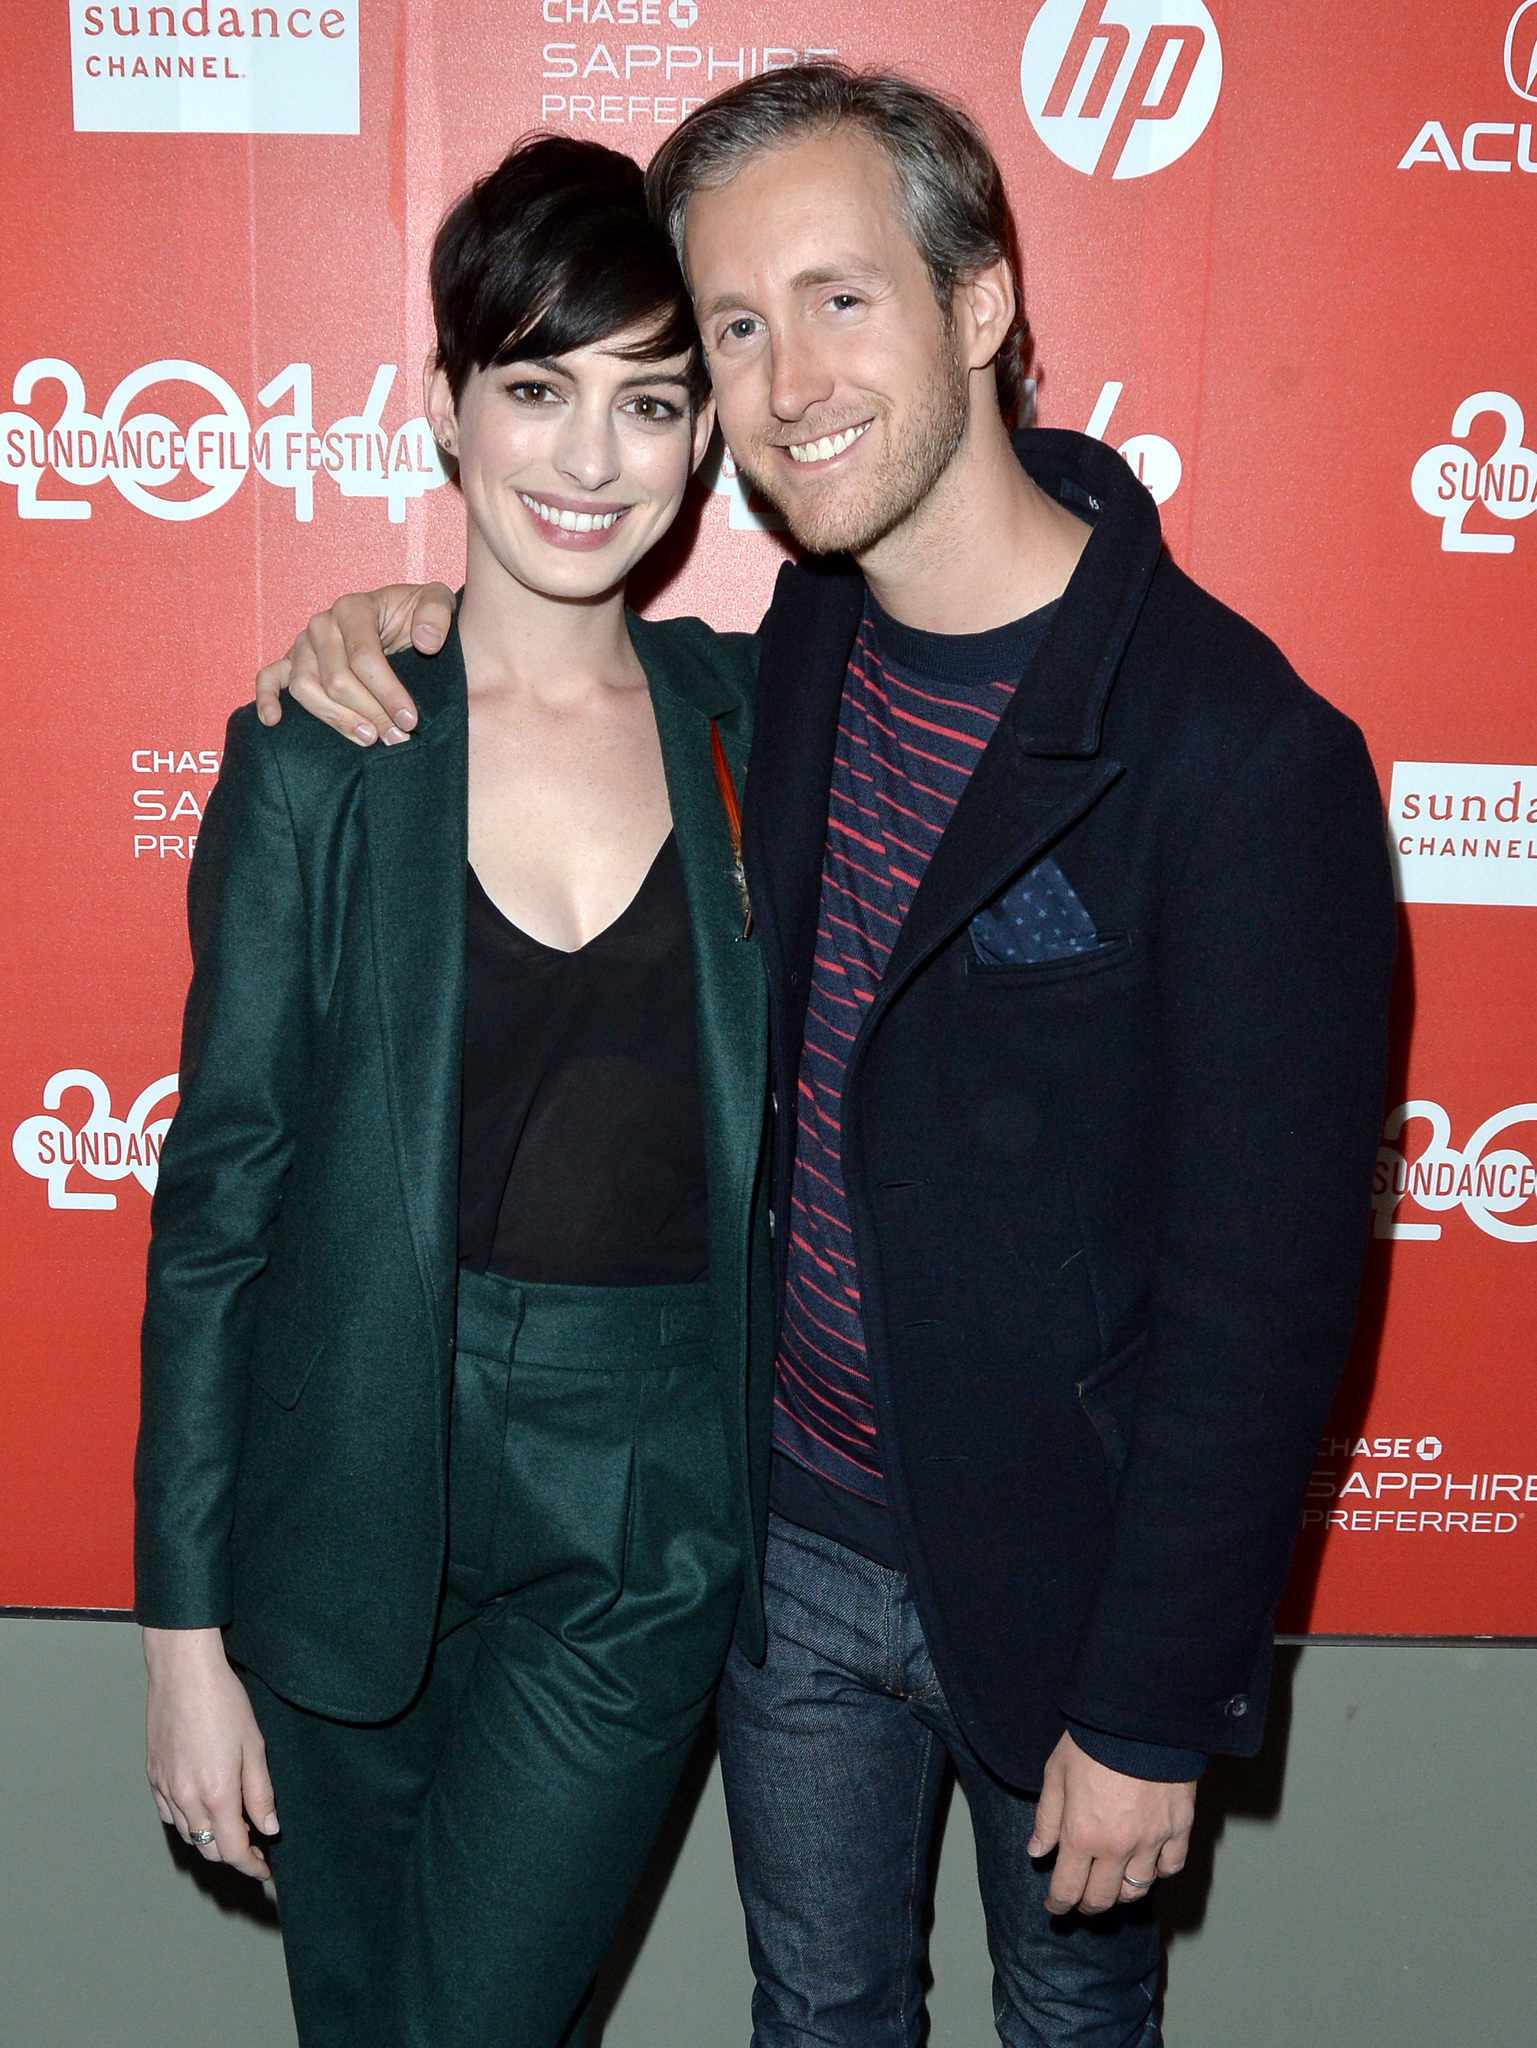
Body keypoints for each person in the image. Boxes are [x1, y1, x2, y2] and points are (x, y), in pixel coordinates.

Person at [255, 66, 1397, 2048]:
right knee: (820, 2020)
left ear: (977, 306)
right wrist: (398, 627)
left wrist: (1149, 1699)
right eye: (735, 329)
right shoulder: (781, 664)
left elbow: (1270, 1289)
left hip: (1060, 1601)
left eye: (838, 300)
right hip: (783, 1558)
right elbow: (550, 674)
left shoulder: (1237, 750)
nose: (786, 384)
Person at [135, 133, 776, 2048]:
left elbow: (1010, 564)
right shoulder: (327, 755)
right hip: (346, 1477)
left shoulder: (765, 722)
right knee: (362, 2014)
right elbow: (221, 1201)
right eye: (536, 389)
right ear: (443, 408)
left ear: (704, 439)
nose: (589, 459)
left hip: (643, 1498)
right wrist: (180, 1635)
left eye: (648, 400)